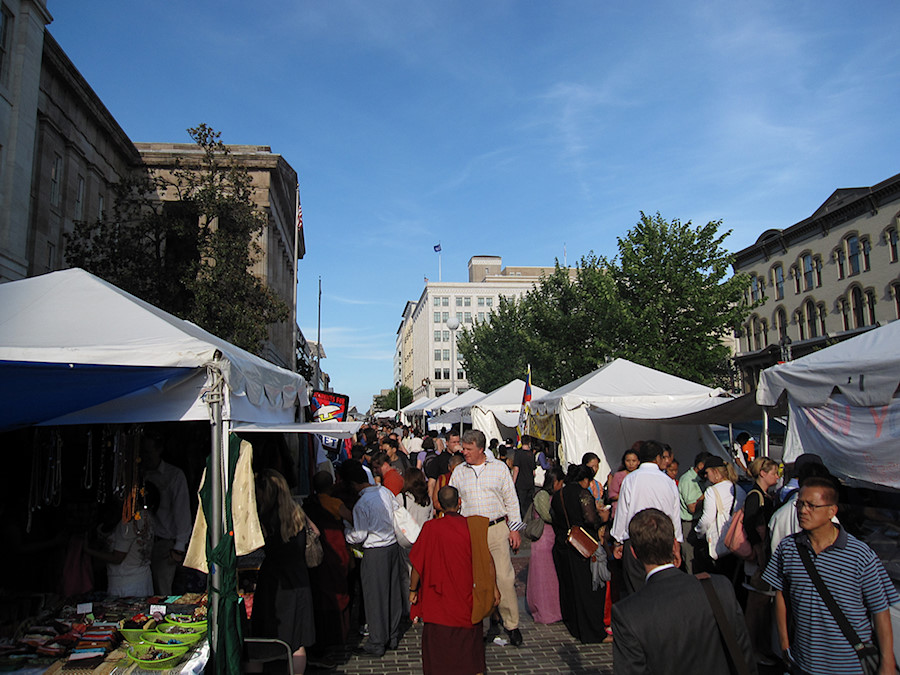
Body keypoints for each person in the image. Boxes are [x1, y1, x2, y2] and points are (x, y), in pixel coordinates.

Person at [763, 478, 899, 675]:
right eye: (800, 503)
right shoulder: (788, 548)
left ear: (831, 511)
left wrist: (887, 664)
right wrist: (784, 643)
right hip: (803, 664)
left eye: (811, 505)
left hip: (850, 667)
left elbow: (880, 610)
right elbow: (781, 595)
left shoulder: (860, 555)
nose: (803, 510)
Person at [611, 508, 757, 675]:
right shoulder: (720, 587)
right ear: (674, 545)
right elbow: (744, 655)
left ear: (634, 553)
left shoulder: (628, 613)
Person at [409, 486, 496, 675]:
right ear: (459, 503)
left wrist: (413, 590)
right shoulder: (473, 527)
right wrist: (493, 588)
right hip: (465, 599)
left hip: (438, 601)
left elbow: (418, 564)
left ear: (438, 504)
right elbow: (487, 560)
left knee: (439, 653)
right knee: (468, 651)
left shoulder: (430, 528)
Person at [449, 429, 524, 646]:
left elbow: (512, 500)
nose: (464, 452)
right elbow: (453, 499)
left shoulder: (499, 469)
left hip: (497, 528)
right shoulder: (460, 472)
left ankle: (511, 624)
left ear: (481, 449)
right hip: (471, 529)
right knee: (477, 578)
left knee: (504, 577)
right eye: (463, 448)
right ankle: (480, 622)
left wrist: (514, 529)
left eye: (468, 449)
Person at [252, 469, 317, 674]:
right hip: (298, 579)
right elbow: (315, 532)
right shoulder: (297, 512)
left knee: (259, 640)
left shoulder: (263, 517)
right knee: (296, 642)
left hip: (273, 582)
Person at [342, 460, 404, 657]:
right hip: (392, 546)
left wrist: (346, 532)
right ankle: (392, 635)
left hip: (375, 551)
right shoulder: (384, 492)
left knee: (374, 597)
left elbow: (360, 535)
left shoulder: (362, 503)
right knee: (392, 593)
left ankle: (377, 641)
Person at [610, 440, 682, 597]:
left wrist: (618, 540)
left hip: (635, 538)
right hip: (662, 538)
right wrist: (676, 544)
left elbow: (623, 511)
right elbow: (675, 515)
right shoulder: (668, 482)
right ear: (658, 458)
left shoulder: (631, 479)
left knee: (636, 590)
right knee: (662, 587)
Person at [550, 464, 609, 643]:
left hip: (562, 543)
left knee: (570, 588)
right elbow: (590, 518)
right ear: (584, 480)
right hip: (581, 545)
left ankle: (575, 626)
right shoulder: (582, 494)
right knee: (588, 589)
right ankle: (592, 631)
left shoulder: (559, 494)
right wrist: (602, 518)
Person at [303, 472, 352, 649]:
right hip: (334, 550)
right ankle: (338, 633)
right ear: (331, 485)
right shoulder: (334, 504)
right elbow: (351, 518)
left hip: (317, 553)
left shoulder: (309, 504)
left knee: (320, 591)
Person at [84, 482, 158, 598]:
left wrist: (88, 551)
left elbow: (117, 558)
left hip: (126, 583)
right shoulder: (149, 517)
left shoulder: (129, 523)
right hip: (142, 578)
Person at [140, 433, 191, 595]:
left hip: (164, 545)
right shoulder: (140, 475)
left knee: (162, 593)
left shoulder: (174, 476)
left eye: (148, 452)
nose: (145, 457)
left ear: (159, 450)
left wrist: (178, 548)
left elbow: (182, 512)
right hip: (142, 544)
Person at [742, 456, 779, 666]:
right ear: (762, 473)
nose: (777, 476)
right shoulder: (756, 496)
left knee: (760, 606)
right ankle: (751, 650)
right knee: (755, 606)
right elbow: (749, 524)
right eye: (774, 472)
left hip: (760, 559)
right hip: (758, 560)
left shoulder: (762, 495)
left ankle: (757, 648)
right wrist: (759, 551)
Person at [694, 455, 746, 578]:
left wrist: (698, 532)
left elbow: (707, 518)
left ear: (715, 472)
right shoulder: (739, 489)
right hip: (736, 542)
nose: (706, 476)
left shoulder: (712, 491)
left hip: (719, 544)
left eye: (707, 472)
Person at [526, 465, 564, 625]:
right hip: (543, 539)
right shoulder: (542, 495)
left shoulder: (551, 494)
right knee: (543, 577)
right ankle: (544, 611)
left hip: (551, 538)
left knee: (552, 577)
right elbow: (547, 515)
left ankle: (554, 610)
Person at [396, 468, 433, 618]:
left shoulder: (401, 498)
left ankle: (409, 608)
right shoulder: (427, 499)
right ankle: (423, 606)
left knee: (406, 575)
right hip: (423, 541)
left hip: (406, 541)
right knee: (423, 575)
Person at [678, 451, 710, 574]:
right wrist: (707, 495)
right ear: (701, 465)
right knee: (691, 561)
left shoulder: (700, 480)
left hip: (698, 523)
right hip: (689, 524)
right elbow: (692, 507)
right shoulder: (688, 480)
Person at [607, 448, 640, 520]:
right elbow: (612, 495)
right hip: (620, 511)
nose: (631, 464)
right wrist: (628, 496)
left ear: (638, 462)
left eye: (634, 461)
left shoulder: (641, 476)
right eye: (628, 461)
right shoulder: (618, 476)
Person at [512, 436, 536, 519]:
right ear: (529, 443)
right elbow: (533, 472)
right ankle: (529, 521)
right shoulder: (531, 454)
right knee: (529, 505)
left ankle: (523, 522)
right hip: (530, 482)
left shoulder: (518, 454)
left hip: (521, 483)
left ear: (521, 442)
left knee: (521, 505)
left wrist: (513, 482)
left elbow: (516, 469)